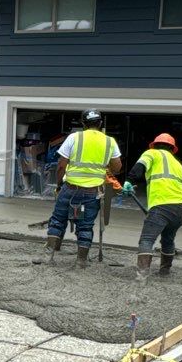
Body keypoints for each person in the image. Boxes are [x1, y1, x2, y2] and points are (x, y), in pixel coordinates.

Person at [41, 111, 121, 265]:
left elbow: (61, 165)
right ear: (100, 124)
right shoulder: (110, 141)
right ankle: (81, 261)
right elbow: (117, 167)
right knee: (85, 225)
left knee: (57, 220)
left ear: (83, 124)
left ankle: (47, 258)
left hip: (70, 188)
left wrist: (59, 184)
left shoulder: (74, 137)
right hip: (92, 192)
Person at [128, 132, 182, 277]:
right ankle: (164, 272)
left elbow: (139, 167)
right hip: (180, 207)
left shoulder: (151, 153)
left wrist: (129, 180)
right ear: (172, 148)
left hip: (161, 205)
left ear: (155, 145)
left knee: (147, 239)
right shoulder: (178, 164)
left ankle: (142, 275)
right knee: (168, 239)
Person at [17, 126, 47, 196]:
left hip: (31, 166)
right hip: (30, 167)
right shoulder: (29, 147)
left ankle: (28, 189)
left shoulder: (33, 147)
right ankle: (27, 188)